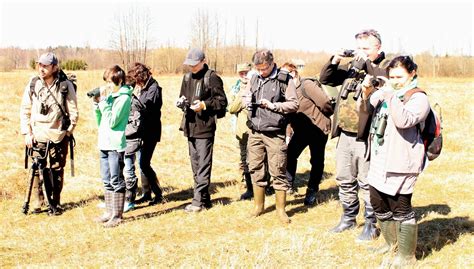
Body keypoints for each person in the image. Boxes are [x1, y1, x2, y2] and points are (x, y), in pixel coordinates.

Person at [319, 29, 388, 241]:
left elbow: (382, 81)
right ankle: (348, 218)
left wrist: (364, 65)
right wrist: (335, 60)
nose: (360, 53)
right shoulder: (353, 68)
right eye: (358, 48)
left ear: (378, 49)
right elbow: (326, 78)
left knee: (367, 181)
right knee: (344, 177)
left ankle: (371, 223)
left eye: (365, 48)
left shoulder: (386, 67)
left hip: (366, 136)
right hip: (345, 134)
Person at [363, 56, 429, 267]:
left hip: (402, 162)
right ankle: (390, 243)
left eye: (399, 76)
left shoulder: (418, 98)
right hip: (380, 160)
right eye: (391, 77)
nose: (395, 80)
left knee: (401, 208)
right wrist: (367, 91)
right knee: (378, 203)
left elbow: (403, 121)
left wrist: (390, 95)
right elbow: (368, 107)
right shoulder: (387, 93)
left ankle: (407, 256)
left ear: (412, 74)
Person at [242, 49, 298, 224]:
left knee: (278, 170)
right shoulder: (254, 78)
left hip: (275, 133)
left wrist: (274, 106)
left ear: (272, 63)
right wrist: (246, 100)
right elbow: (248, 95)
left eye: (264, 68)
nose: (261, 72)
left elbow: (294, 104)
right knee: (255, 168)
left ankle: (281, 210)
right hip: (255, 131)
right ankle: (259, 206)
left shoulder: (284, 79)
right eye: (258, 69)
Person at [20, 52, 79, 215]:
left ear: (55, 67)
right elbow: (25, 110)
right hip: (36, 136)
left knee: (56, 169)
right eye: (40, 65)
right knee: (37, 170)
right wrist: (27, 133)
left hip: (58, 136)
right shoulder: (33, 84)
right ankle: (39, 202)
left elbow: (73, 111)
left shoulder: (65, 85)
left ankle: (55, 202)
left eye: (45, 66)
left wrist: (68, 132)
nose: (41, 68)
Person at [177, 48, 228, 213]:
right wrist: (182, 103)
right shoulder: (186, 78)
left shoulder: (212, 78)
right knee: (196, 165)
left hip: (205, 128)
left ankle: (197, 202)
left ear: (203, 61)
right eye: (189, 64)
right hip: (190, 126)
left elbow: (222, 102)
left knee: (203, 165)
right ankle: (205, 200)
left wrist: (204, 105)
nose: (192, 68)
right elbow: (183, 97)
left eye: (195, 64)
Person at [282, 62, 334, 206]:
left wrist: (326, 116)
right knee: (290, 154)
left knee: (316, 161)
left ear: (295, 73)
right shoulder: (286, 91)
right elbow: (289, 116)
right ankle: (288, 185)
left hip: (317, 129)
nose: (287, 77)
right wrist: (288, 133)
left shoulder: (306, 85)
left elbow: (325, 103)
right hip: (301, 130)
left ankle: (312, 190)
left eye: (289, 74)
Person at [93, 65, 132, 228]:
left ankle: (117, 215)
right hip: (104, 142)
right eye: (106, 82)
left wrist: (103, 104)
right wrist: (97, 106)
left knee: (116, 179)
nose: (108, 86)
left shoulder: (124, 98)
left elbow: (113, 121)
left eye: (110, 82)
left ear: (119, 80)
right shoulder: (110, 98)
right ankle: (109, 212)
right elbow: (101, 122)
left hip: (115, 145)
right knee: (107, 179)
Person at [123, 63, 164, 211]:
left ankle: (158, 194)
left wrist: (133, 99)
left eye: (136, 79)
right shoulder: (144, 87)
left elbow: (145, 107)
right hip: (141, 131)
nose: (136, 83)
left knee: (144, 163)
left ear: (142, 77)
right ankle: (147, 194)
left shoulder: (154, 88)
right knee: (142, 163)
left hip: (150, 131)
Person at [228, 63, 254, 200]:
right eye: (241, 73)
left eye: (246, 72)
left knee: (259, 159)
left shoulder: (257, 85)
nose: (244, 75)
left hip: (256, 130)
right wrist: (242, 99)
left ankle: (263, 186)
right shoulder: (235, 88)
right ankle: (249, 188)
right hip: (242, 130)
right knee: (245, 160)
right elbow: (231, 108)